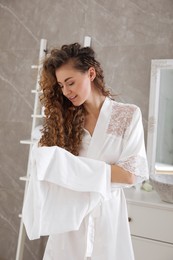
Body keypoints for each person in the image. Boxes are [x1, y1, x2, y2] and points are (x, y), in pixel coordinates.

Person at [22, 43, 149, 260]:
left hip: (108, 218)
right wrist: (105, 173)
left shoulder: (128, 115)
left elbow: (131, 174)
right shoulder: (62, 122)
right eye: (61, 85)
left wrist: (68, 168)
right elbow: (45, 167)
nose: (65, 91)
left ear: (91, 73)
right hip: (69, 222)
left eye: (70, 82)